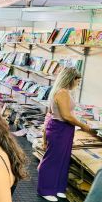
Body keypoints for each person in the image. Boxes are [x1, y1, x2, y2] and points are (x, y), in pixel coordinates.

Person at [38, 67, 91, 202]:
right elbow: (66, 116)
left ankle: (58, 188)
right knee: (53, 159)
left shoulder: (64, 92)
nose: (77, 84)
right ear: (71, 79)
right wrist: (82, 125)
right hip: (59, 128)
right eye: (77, 81)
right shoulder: (62, 92)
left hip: (65, 129)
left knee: (63, 159)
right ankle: (45, 189)